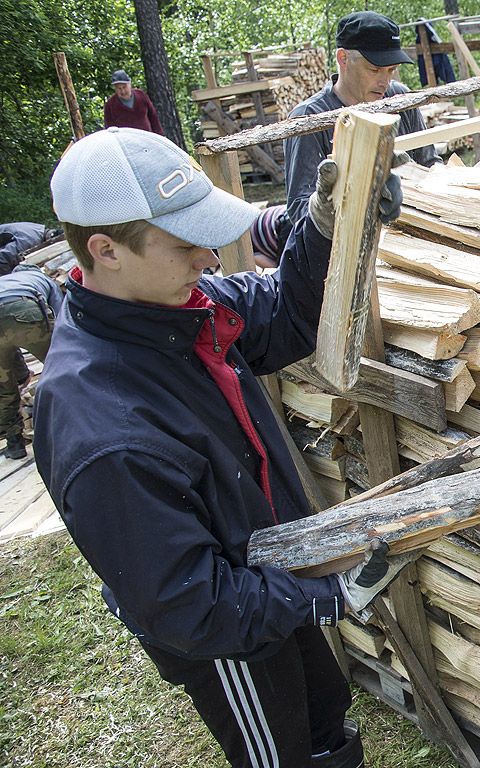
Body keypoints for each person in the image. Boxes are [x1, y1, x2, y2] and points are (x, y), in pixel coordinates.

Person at [36, 126, 404, 768]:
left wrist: (324, 227)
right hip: (229, 637)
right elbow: (189, 605)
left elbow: (289, 316)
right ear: (107, 250)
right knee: (281, 753)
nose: (209, 260)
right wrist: (325, 595)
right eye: (185, 245)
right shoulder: (104, 428)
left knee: (324, 718)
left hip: (267, 582)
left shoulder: (175, 315)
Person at [282, 11, 441, 230]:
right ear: (343, 59)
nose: (385, 81)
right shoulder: (309, 118)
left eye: (391, 70)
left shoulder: (400, 100)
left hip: (408, 237)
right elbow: (299, 210)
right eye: (374, 69)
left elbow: (430, 163)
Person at [0, 264, 63, 459]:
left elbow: (10, 344)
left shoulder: (6, 281)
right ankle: (75, 430)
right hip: (25, 309)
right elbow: (63, 318)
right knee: (64, 369)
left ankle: (15, 444)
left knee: (3, 388)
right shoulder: (43, 280)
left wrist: (22, 376)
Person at [103, 69, 163, 134]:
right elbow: (109, 129)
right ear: (115, 88)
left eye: (124, 87)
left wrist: (160, 135)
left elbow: (153, 117)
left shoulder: (141, 95)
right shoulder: (110, 104)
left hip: (146, 139)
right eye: (119, 88)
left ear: (130, 84)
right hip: (126, 141)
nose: (122, 91)